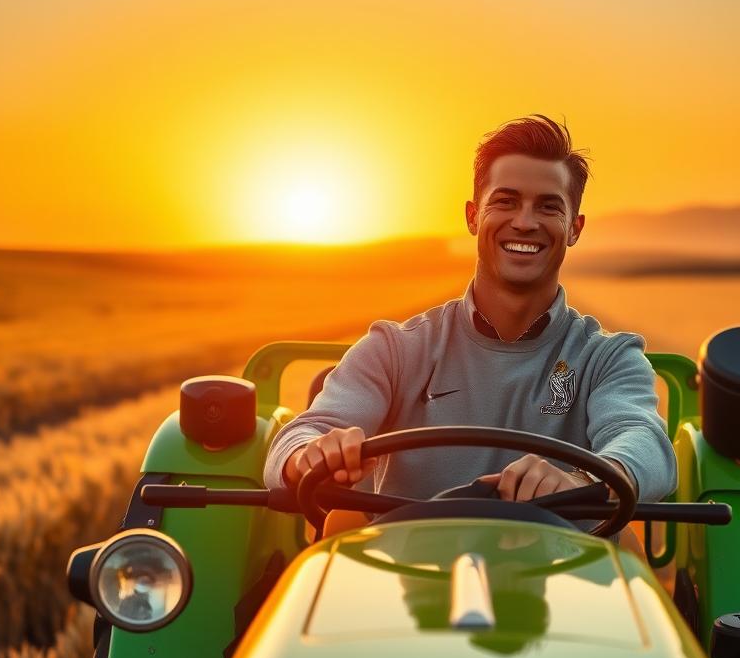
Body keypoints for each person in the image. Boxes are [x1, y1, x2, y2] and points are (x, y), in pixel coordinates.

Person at [263, 114, 676, 525]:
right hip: (407, 575)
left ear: (574, 228)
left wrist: (581, 479)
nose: (525, 222)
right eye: (505, 201)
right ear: (473, 216)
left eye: (549, 207)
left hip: (558, 577)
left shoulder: (608, 358)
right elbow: (300, 438)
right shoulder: (395, 349)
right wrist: (312, 454)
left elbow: (645, 443)